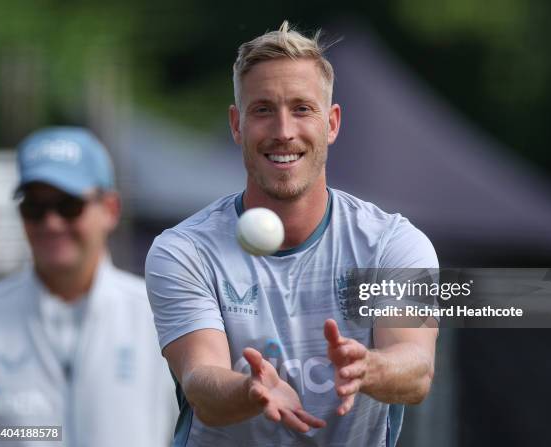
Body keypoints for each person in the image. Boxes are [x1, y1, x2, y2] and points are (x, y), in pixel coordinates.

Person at [145, 21, 439, 447]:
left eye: (302, 108)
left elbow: (417, 370)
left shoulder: (391, 244)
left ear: (332, 123)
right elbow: (201, 381)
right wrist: (251, 390)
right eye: (263, 109)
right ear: (237, 125)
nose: (283, 131)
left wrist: (368, 367)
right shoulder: (184, 251)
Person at [0, 127, 176, 447]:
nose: (51, 223)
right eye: (34, 207)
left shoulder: (160, 315)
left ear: (110, 209)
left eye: (68, 205)